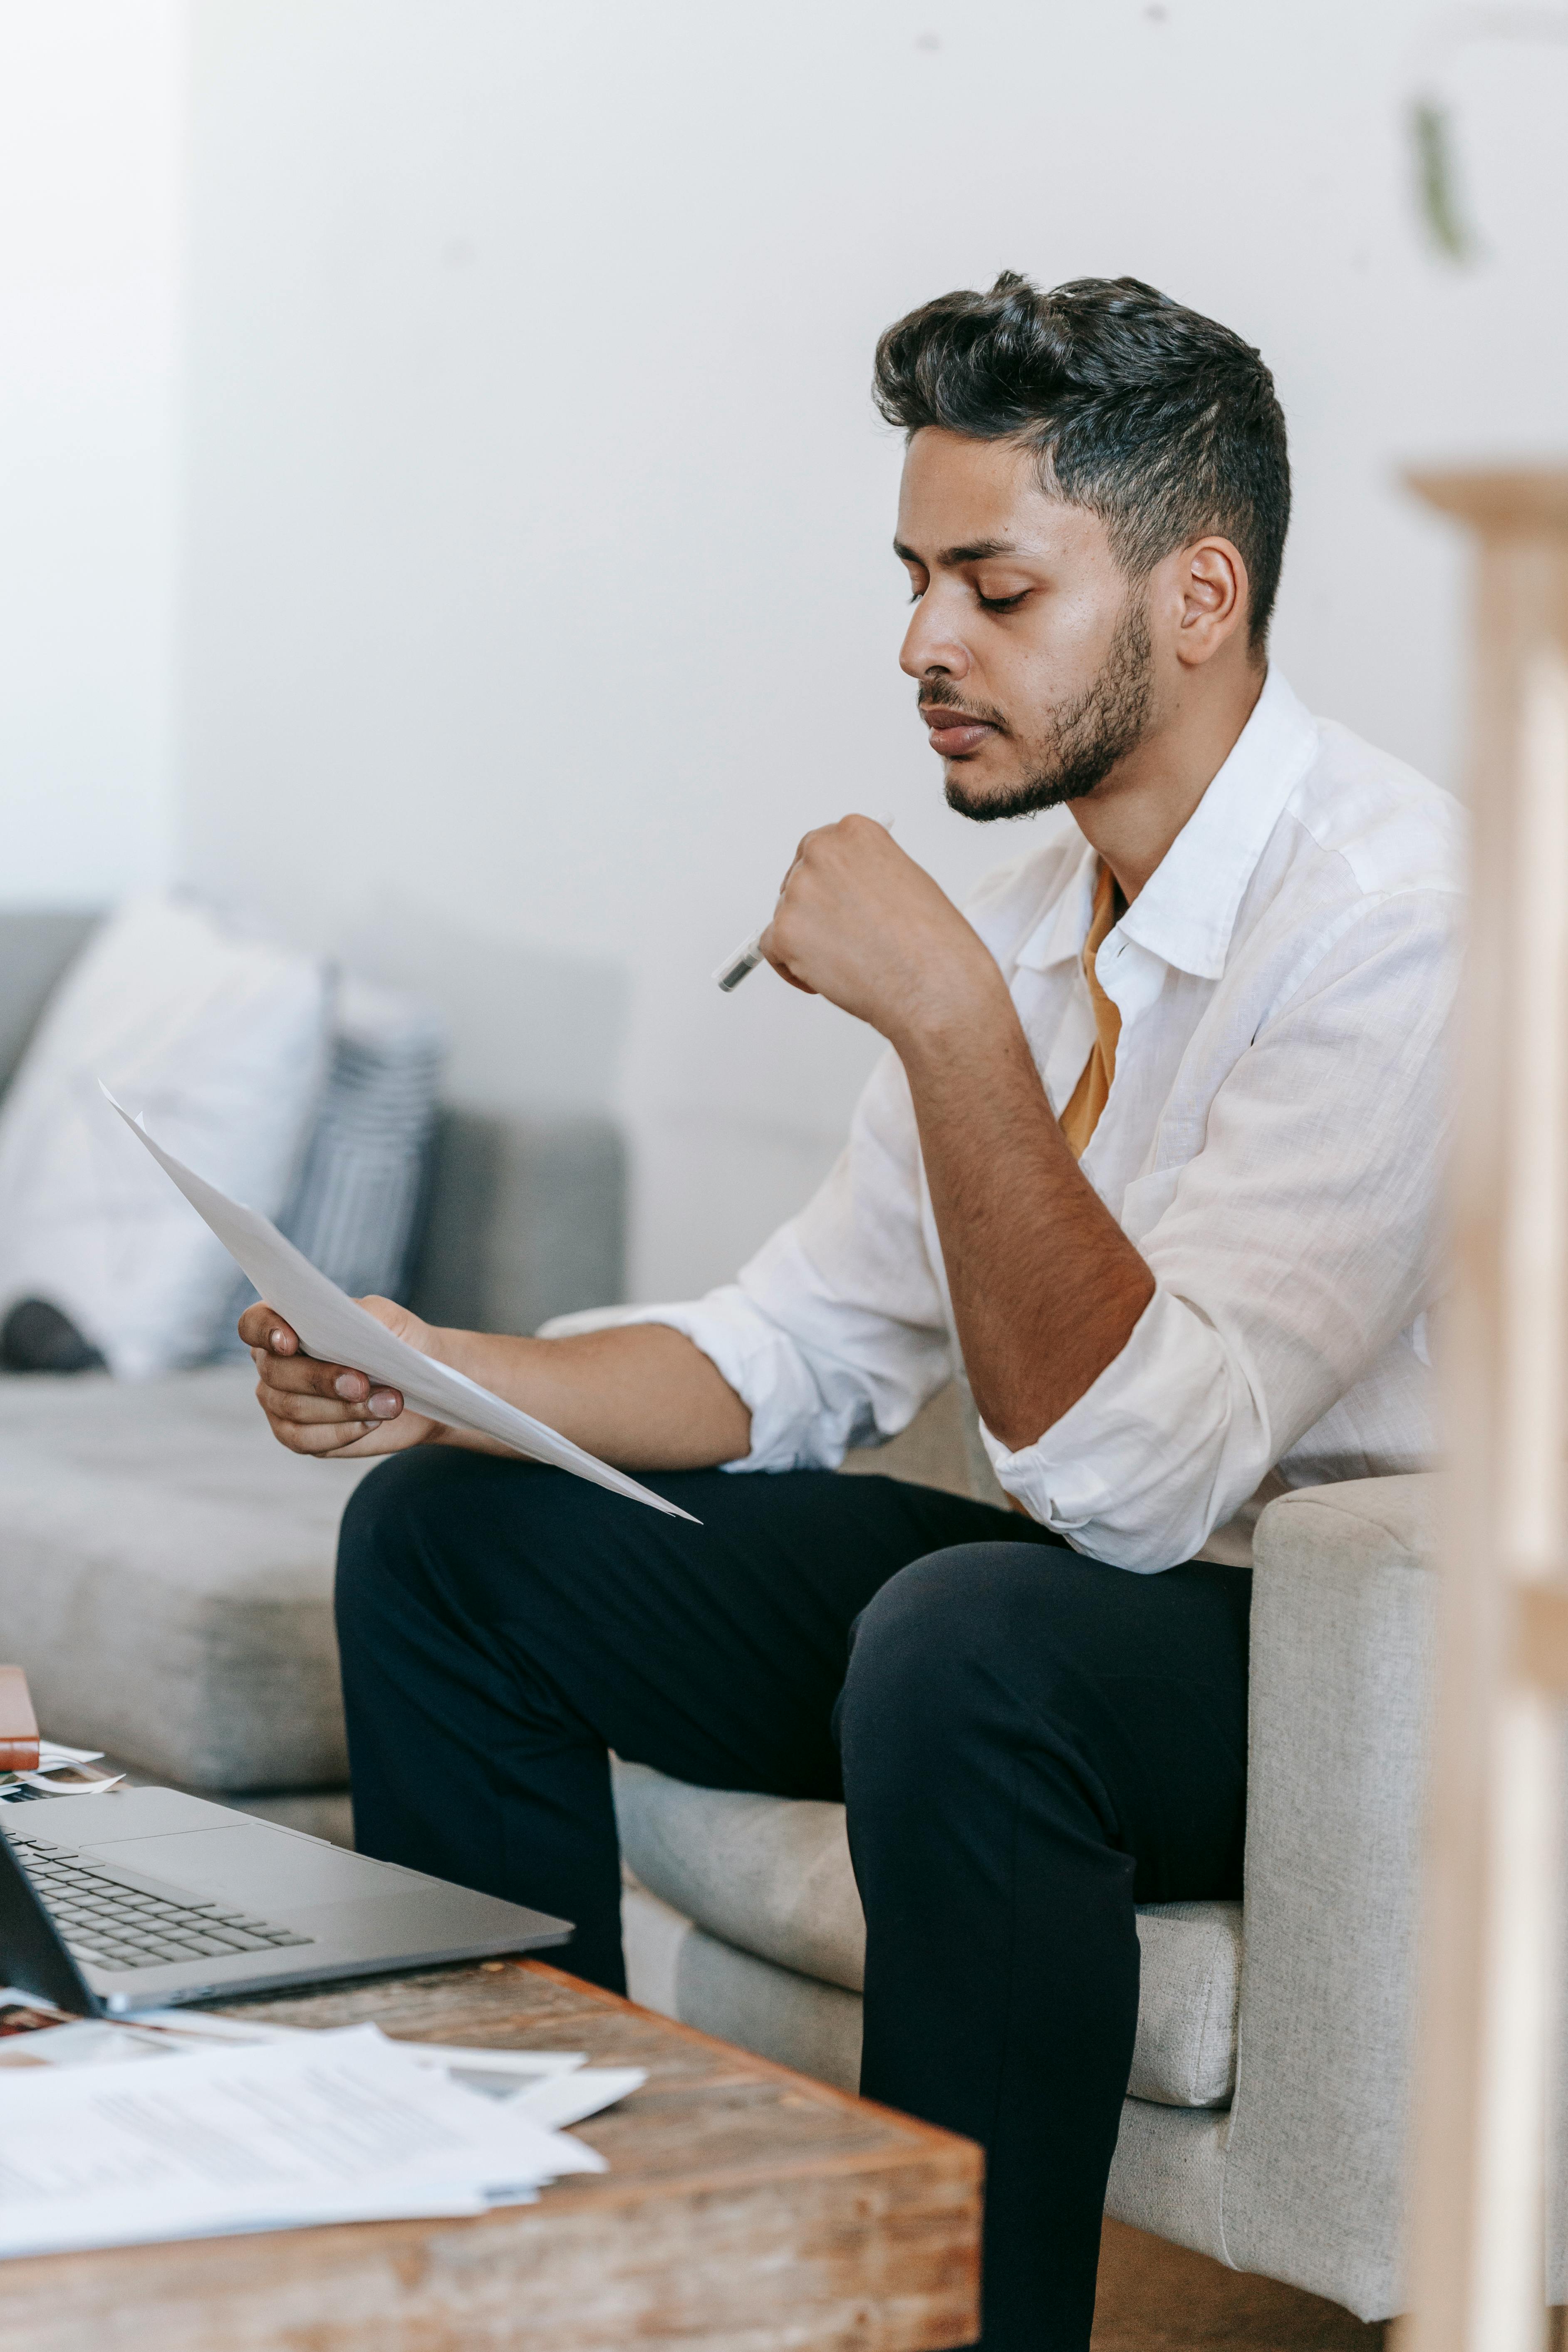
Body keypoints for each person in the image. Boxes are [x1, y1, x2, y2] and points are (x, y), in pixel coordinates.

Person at [241, 273, 1461, 2351]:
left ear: (1196, 595)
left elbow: (1156, 1478)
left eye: (991, 586)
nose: (919, 644)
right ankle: (560, 2262)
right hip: (1058, 1593)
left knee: (969, 1637)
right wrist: (435, 1370)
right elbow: (798, 1345)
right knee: (451, 1544)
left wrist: (950, 1025)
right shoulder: (1023, 915)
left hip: (1335, 1653)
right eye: (914, 580)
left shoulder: (1391, 923)